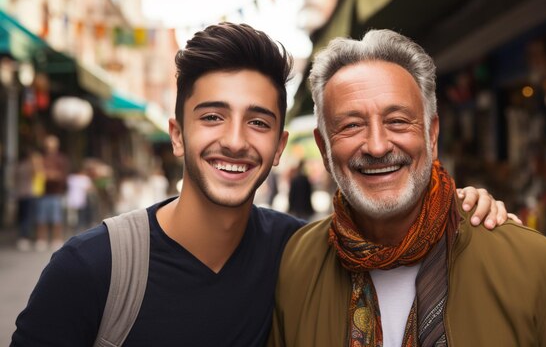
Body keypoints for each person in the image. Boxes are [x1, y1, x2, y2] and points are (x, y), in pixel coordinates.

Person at [12, 23, 511, 347]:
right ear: (177, 136)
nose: (234, 141)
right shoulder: (93, 268)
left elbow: (391, 235)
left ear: (278, 148)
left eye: (257, 121)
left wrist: (461, 207)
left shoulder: (301, 255)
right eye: (211, 116)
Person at [268, 29, 546, 347]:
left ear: (432, 134)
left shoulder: (538, 267)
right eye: (351, 125)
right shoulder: (296, 264)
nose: (377, 145)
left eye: (397, 120)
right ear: (324, 147)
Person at [34, 134, 69, 251]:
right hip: (43, 193)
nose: (49, 147)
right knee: (41, 219)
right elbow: (37, 173)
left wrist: (51, 175)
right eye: (48, 145)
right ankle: (41, 240)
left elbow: (62, 175)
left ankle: (57, 240)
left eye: (52, 145)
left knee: (56, 219)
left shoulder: (61, 159)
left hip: (56, 194)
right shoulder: (41, 158)